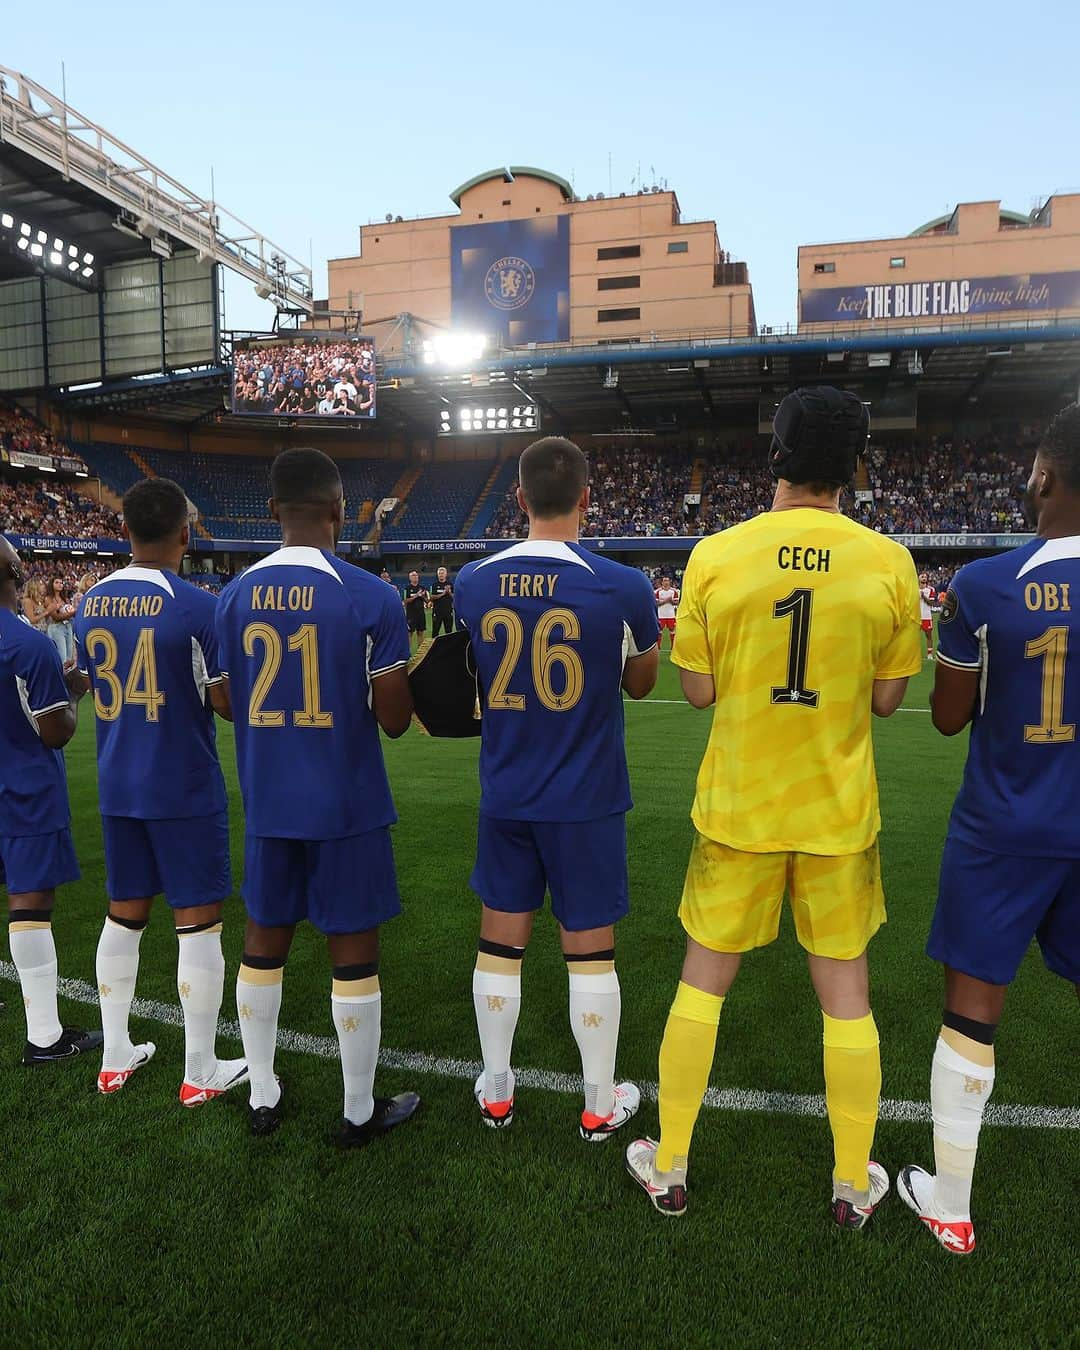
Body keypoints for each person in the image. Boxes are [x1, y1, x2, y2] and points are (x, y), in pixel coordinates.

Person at [625, 387, 922, 1225]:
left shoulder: (718, 553)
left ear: (777, 457)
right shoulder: (888, 562)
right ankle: (850, 1182)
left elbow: (695, 690)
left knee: (703, 987)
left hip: (739, 810)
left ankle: (672, 1164)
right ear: (854, 465)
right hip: (836, 813)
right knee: (848, 998)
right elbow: (894, 697)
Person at [898, 403, 1080, 1256]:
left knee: (973, 1011)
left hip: (1004, 821)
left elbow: (945, 718)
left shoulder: (981, 584)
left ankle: (953, 1204)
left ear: (1041, 476)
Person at [455, 436, 660, 1139]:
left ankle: (498, 1091)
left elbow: (468, 679)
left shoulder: (472, 582)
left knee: (500, 944)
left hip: (507, 788)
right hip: (586, 793)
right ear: (586, 499)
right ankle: (599, 1104)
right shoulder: (624, 585)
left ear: (518, 499)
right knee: (591, 951)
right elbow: (642, 681)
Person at [216, 447, 419, 1143]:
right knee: (353, 952)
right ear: (340, 511)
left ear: (272, 512)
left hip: (270, 799)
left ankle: (263, 1093)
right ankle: (359, 1111)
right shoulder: (371, 595)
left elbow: (222, 698)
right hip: (346, 801)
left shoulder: (232, 597)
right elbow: (394, 718)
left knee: (262, 943)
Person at [72, 478, 246, 1103]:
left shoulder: (90, 601)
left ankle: (115, 1054)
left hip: (118, 780)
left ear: (125, 532)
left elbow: (91, 681)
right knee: (198, 924)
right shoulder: (199, 606)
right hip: (182, 782)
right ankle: (199, 1069)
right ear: (185, 533)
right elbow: (223, 700)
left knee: (124, 915)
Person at [0, 535, 102, 1064]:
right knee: (31, 903)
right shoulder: (29, 645)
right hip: (24, 791)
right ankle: (43, 1034)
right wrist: (76, 694)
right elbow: (54, 731)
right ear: (15, 578)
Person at [44, 577, 76, 665]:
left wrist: (71, 613)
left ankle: (67, 678)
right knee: (62, 658)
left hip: (68, 626)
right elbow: (56, 617)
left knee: (70, 658)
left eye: (61, 583)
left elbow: (70, 612)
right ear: (52, 585)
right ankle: (61, 677)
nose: (60, 584)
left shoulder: (65, 598)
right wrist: (72, 613)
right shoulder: (48, 599)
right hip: (56, 627)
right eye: (57, 582)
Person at [403, 571, 428, 651]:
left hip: (421, 613)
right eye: (413, 575)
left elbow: (427, 601)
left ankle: (420, 653)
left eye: (416, 575)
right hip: (411, 614)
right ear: (409, 578)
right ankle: (408, 652)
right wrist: (416, 595)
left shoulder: (422, 587)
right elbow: (405, 601)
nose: (415, 577)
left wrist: (423, 596)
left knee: (420, 632)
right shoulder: (407, 588)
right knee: (409, 633)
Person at [655, 574, 680, 650]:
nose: (666, 582)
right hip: (661, 614)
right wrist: (667, 600)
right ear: (662, 582)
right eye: (664, 580)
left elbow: (677, 602)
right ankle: (658, 647)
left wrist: (671, 600)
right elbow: (656, 603)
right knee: (659, 630)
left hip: (670, 614)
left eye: (667, 580)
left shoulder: (674, 591)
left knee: (672, 629)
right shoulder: (657, 592)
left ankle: (673, 647)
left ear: (670, 582)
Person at [430, 566, 454, 638]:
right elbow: (431, 598)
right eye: (440, 573)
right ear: (437, 575)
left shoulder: (450, 584)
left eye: (442, 573)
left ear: (446, 574)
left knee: (449, 631)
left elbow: (454, 597)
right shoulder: (434, 585)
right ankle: (434, 648)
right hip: (437, 612)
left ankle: (448, 647)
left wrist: (449, 592)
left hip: (448, 611)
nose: (441, 575)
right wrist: (443, 593)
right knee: (435, 631)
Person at [919, 571, 935, 659]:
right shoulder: (914, 588)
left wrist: (924, 597)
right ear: (918, 578)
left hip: (926, 616)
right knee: (914, 637)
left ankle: (929, 654)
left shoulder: (931, 589)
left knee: (929, 636)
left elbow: (931, 603)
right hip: (916, 617)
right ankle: (915, 654)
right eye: (922, 576)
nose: (924, 578)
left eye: (925, 577)